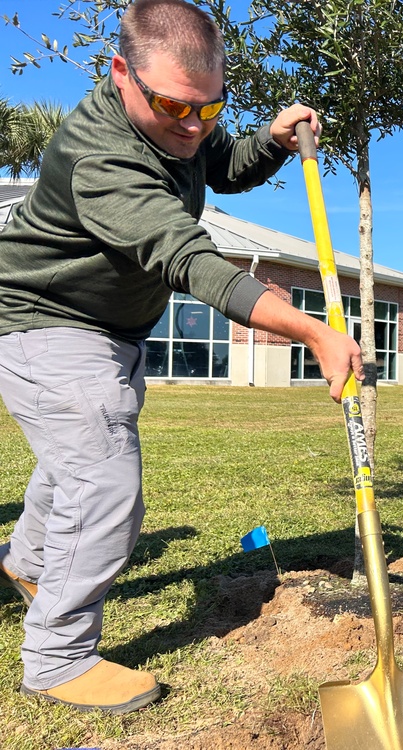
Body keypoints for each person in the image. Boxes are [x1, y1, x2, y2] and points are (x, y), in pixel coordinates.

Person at [0, 0, 363, 714]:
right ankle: (56, 657)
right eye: (174, 107)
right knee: (105, 487)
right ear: (119, 73)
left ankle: (32, 565)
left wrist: (269, 139)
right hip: (47, 321)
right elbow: (189, 258)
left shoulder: (183, 129)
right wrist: (315, 331)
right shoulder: (98, 154)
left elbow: (218, 164)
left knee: (78, 461)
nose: (193, 125)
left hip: (114, 330)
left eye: (210, 107)